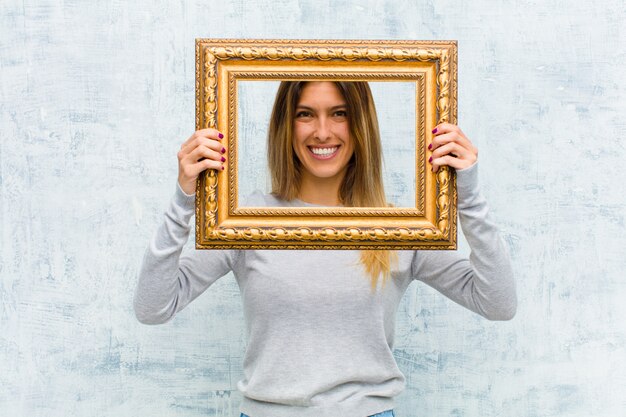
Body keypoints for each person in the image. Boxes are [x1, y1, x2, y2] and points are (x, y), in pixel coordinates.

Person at [134, 81, 517, 417]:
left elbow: (497, 302)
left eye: (339, 113)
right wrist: (184, 196)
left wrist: (468, 193)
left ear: (361, 124)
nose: (322, 131)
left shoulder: (400, 226)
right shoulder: (247, 219)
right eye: (305, 114)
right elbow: (154, 307)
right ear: (286, 125)